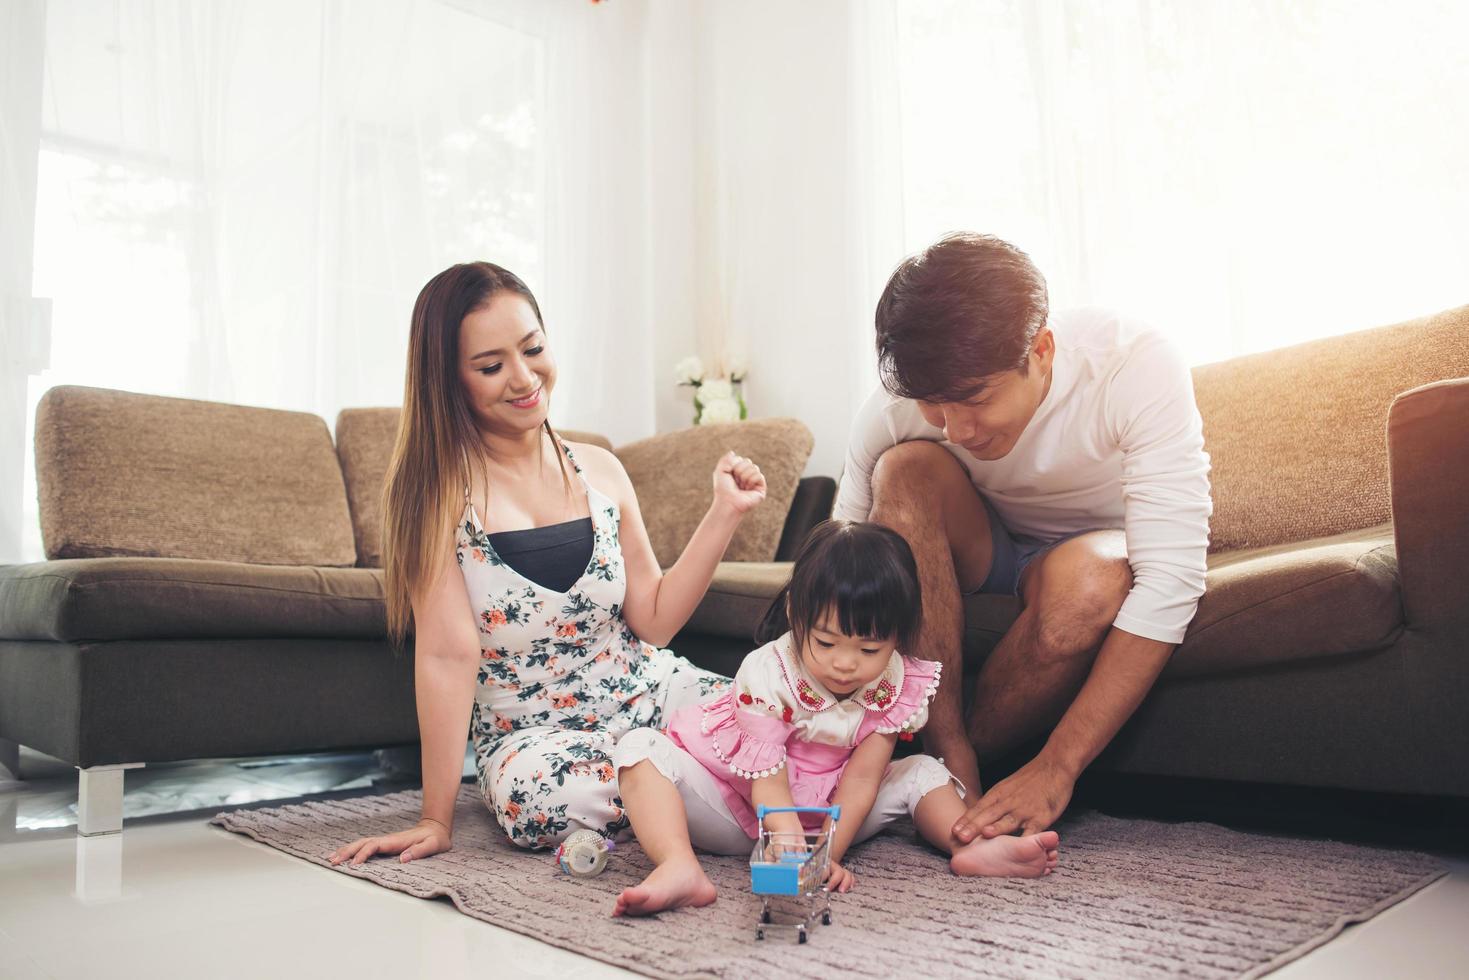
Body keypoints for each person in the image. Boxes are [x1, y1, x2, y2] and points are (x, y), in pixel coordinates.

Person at [329, 261, 767, 867]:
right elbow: (447, 656)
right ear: (448, 380)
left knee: (769, 713)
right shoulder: (438, 498)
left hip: (649, 695)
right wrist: (436, 817)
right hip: (539, 742)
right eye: (490, 366)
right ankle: (740, 794)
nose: (523, 377)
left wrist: (724, 513)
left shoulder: (602, 470)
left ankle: (681, 795)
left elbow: (657, 622)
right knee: (541, 801)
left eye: (532, 348)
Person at [834, 233, 1212, 844]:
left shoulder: (1133, 363)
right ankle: (946, 759)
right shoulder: (896, 405)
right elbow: (841, 570)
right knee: (903, 468)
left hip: (1091, 550)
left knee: (1095, 578)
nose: (955, 429)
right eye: (936, 407)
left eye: (975, 401)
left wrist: (1056, 769)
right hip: (985, 545)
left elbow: (1170, 581)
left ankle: (933, 771)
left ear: (1041, 350)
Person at [609, 520, 1061, 917]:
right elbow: (768, 780)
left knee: (924, 770)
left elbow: (864, 779)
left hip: (834, 812)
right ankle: (678, 865)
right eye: (825, 643)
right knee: (640, 748)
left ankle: (971, 847)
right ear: (796, 616)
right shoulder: (768, 674)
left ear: (897, 638)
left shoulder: (895, 683)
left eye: (869, 650)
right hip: (740, 807)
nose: (845, 665)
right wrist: (788, 855)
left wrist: (825, 857)